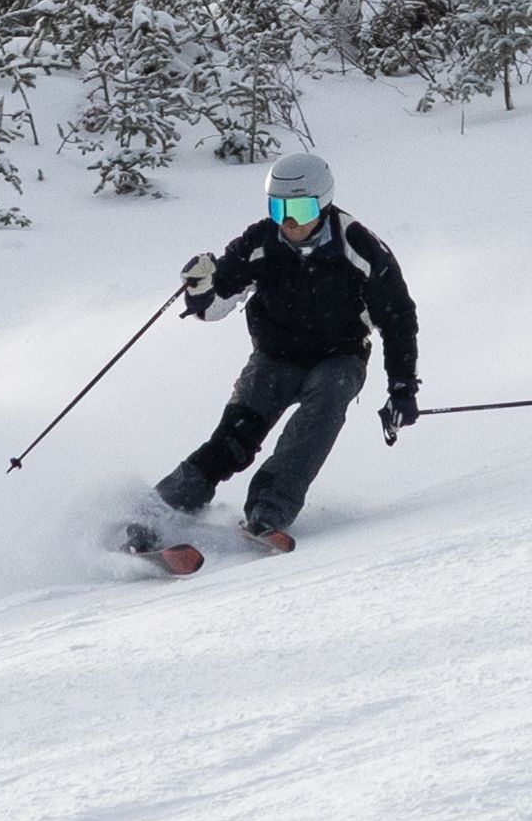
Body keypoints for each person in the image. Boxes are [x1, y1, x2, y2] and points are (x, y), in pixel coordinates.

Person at [152, 149, 421, 549]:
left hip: (339, 356)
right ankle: (161, 509)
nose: (289, 220)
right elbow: (218, 303)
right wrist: (201, 290)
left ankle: (268, 511)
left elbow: (398, 318)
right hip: (275, 357)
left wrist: (402, 388)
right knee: (234, 438)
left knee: (316, 421)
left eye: (299, 207)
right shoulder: (259, 242)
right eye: (278, 208)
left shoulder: (359, 247)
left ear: (323, 202)